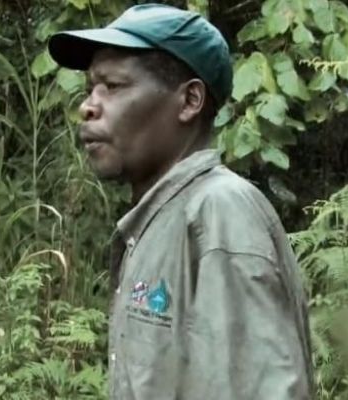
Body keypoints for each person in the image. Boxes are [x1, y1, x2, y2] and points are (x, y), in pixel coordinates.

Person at [48, 3, 313, 400]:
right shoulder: (158, 219)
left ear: (189, 101)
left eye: (114, 86)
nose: (88, 106)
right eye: (90, 88)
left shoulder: (220, 213)